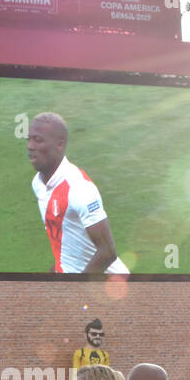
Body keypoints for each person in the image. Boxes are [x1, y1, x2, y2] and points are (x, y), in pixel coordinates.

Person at [28, 114, 130, 276]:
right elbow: (64, 239)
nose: (31, 146)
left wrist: (75, 289)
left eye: (38, 140)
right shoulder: (38, 184)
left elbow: (107, 252)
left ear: (59, 145)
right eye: (29, 139)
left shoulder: (79, 188)